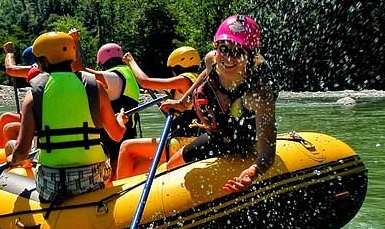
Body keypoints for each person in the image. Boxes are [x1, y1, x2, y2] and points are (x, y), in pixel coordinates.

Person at [6, 31, 128, 203]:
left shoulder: (33, 94)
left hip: (52, 183)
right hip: (92, 180)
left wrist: (12, 159)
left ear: (45, 61)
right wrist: (120, 121)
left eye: (39, 60)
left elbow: (22, 151)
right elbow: (117, 134)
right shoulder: (95, 86)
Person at [159, 15, 277, 194]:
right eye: (224, 49)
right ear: (216, 47)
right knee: (171, 165)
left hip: (243, 138)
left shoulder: (259, 93)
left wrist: (253, 172)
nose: (228, 58)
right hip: (217, 134)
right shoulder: (211, 60)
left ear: (250, 55)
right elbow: (206, 76)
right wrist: (183, 102)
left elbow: (267, 152)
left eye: (238, 52)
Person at [115, 46, 203, 178]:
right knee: (138, 164)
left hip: (182, 143)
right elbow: (157, 88)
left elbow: (145, 82)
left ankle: (118, 192)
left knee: (126, 147)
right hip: (186, 141)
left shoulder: (185, 80)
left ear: (178, 67)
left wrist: (131, 61)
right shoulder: (196, 81)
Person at [92, 42, 141, 161]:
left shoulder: (112, 77)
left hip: (115, 139)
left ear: (102, 62)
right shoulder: (128, 73)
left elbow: (82, 73)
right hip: (128, 132)